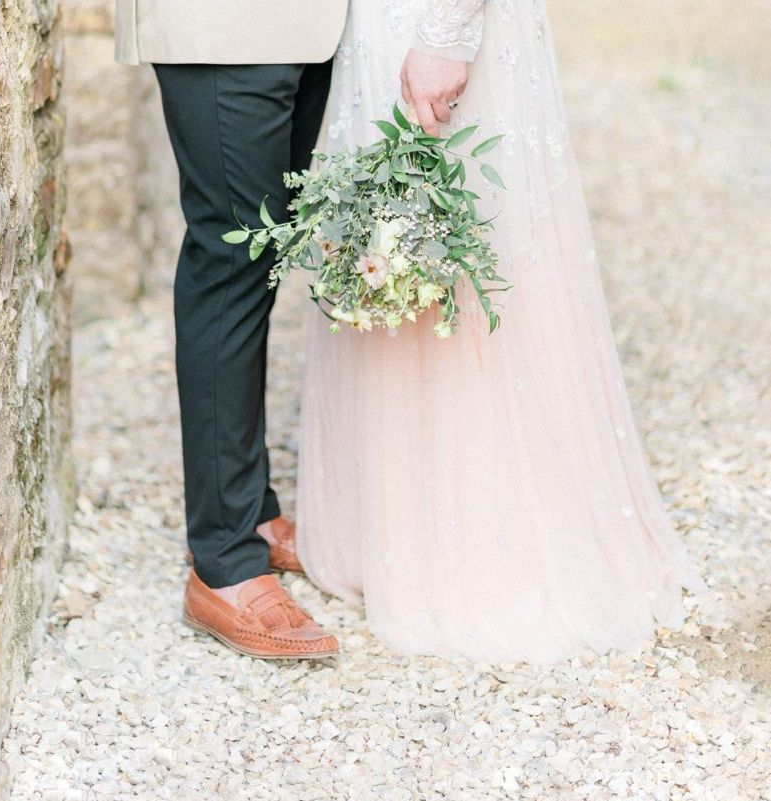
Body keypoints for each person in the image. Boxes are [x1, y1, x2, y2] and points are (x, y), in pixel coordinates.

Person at [295, 0, 704, 664]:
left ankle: (482, 548)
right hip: (376, 23)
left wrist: (445, 33)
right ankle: (393, 531)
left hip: (437, 24)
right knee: (391, 237)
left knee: (471, 233)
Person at [113, 0, 348, 659]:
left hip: (304, 24)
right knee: (230, 256)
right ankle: (223, 560)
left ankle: (250, 509)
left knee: (262, 257)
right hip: (221, 26)